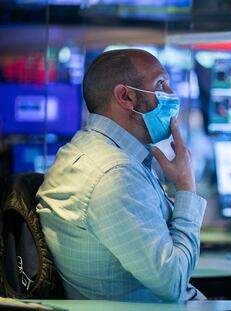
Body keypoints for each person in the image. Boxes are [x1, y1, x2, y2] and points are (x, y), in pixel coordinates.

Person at [36, 49, 207, 302]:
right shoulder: (114, 175)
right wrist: (185, 187)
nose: (171, 94)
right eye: (161, 84)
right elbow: (173, 282)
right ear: (126, 96)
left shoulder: (89, 150)